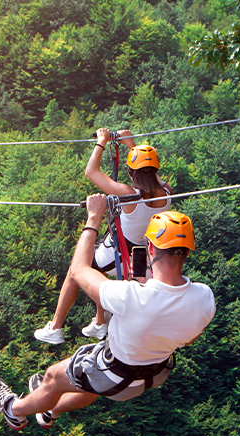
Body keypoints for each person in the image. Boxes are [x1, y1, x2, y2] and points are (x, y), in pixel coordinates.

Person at [0, 195, 216, 430]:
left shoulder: (130, 296)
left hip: (114, 375)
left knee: (52, 377)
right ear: (187, 252)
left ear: (150, 247)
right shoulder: (204, 298)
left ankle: (13, 411)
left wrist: (93, 218)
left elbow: (78, 270)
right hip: (152, 375)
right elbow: (189, 338)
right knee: (90, 382)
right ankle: (50, 411)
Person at [34, 128, 173, 344]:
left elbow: (91, 172)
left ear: (130, 171)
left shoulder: (128, 194)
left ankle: (55, 327)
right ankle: (100, 323)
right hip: (142, 255)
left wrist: (101, 142)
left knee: (76, 269)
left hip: (120, 252)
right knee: (100, 271)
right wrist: (131, 145)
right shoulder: (167, 192)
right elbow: (150, 173)